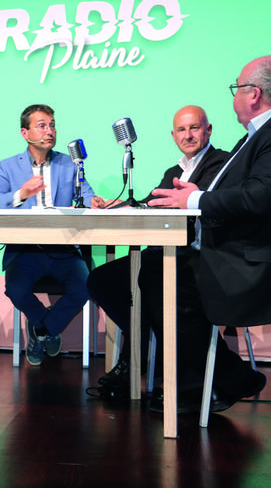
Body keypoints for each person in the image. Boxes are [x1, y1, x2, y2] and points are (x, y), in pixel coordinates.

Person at [147, 55, 271, 413]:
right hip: (246, 251)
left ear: (253, 94)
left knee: (162, 276)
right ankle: (219, 376)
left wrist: (195, 199)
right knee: (141, 272)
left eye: (236, 88)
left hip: (268, 266)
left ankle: (209, 380)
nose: (233, 96)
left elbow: (262, 196)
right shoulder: (267, 132)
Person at [87, 105, 229, 397]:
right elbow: (147, 203)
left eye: (194, 128)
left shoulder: (221, 164)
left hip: (201, 258)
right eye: (181, 130)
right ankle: (147, 344)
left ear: (209, 130)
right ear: (173, 135)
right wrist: (112, 206)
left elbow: (196, 209)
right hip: (167, 255)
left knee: (148, 278)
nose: (187, 135)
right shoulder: (173, 171)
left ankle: (139, 359)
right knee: (102, 280)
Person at [0, 104, 106, 365]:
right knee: (16, 289)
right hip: (26, 251)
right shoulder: (8, 167)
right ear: (25, 133)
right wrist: (21, 195)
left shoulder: (70, 163)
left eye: (52, 125)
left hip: (64, 249)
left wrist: (94, 201)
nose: (49, 131)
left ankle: (40, 329)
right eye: (42, 125)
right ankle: (47, 328)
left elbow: (85, 194)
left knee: (85, 286)